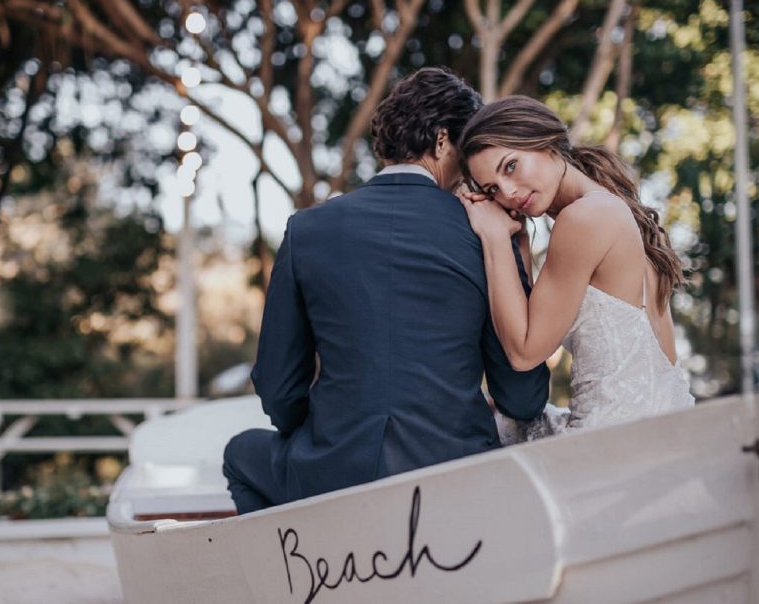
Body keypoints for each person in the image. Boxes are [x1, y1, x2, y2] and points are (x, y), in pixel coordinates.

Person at [222, 68, 550, 514]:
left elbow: (277, 387)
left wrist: (324, 433)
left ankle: (298, 575)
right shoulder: (486, 232)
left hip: (331, 474)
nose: (470, 175)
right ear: (440, 140)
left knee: (240, 454)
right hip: (455, 475)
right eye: (465, 149)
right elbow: (522, 397)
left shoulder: (307, 229)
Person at [458, 95, 694, 444]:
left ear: (546, 142)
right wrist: (518, 242)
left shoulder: (583, 218)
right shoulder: (621, 213)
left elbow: (523, 353)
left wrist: (493, 237)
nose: (507, 192)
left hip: (614, 447)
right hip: (665, 434)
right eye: (492, 189)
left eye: (510, 166)